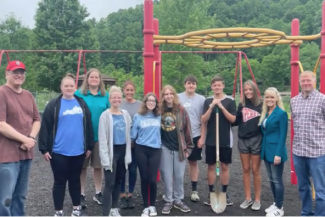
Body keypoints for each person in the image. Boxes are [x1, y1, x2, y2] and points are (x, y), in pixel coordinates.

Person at [38, 73, 94, 216]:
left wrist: (89, 146)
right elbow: (45, 127)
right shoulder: (54, 105)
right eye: (66, 86)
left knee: (75, 181)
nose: (69, 88)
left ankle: (76, 209)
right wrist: (44, 148)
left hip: (78, 151)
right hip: (59, 151)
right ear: (61, 87)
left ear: (75, 87)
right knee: (59, 182)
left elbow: (89, 125)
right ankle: (59, 211)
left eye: (71, 86)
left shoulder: (81, 103)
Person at [0, 60, 41, 216]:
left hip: (26, 154)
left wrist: (30, 137)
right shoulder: (2, 93)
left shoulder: (28, 95)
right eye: (15, 72)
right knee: (5, 199)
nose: (19, 75)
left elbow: (37, 120)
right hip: (6, 156)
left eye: (22, 72)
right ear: (7, 74)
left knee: (20, 196)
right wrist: (24, 140)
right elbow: (1, 124)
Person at [291, 70, 325, 216]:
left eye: (308, 80)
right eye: (303, 81)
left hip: (317, 152)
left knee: (320, 188)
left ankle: (320, 214)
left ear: (314, 81)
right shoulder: (294, 101)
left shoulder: (322, 100)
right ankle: (306, 212)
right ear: (299, 83)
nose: (305, 83)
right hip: (299, 151)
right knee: (303, 186)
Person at [74, 68, 110, 208]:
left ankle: (98, 192)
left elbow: (109, 115)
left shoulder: (105, 96)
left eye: (97, 77)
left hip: (100, 137)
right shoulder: (79, 94)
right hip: (82, 137)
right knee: (82, 167)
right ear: (87, 79)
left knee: (97, 166)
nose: (94, 79)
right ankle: (81, 193)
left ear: (100, 80)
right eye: (92, 77)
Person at [199, 75, 236, 208]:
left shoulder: (230, 101)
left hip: (225, 140)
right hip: (211, 140)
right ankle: (211, 193)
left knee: (225, 166)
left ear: (223, 86)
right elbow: (203, 120)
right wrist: (211, 106)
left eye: (219, 85)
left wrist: (221, 106)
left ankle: (224, 193)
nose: (217, 87)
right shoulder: (207, 100)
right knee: (211, 166)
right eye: (214, 85)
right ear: (212, 87)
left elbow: (233, 119)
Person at [159, 85, 194, 215]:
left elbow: (188, 130)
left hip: (179, 147)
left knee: (179, 176)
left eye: (170, 94)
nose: (168, 96)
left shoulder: (181, 110)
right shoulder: (160, 110)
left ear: (174, 95)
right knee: (167, 176)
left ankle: (178, 199)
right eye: (166, 94)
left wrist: (188, 149)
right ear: (163, 96)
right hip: (164, 147)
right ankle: (168, 200)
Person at [98, 86, 132, 216]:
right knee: (110, 183)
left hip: (123, 151)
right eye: (114, 98)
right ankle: (106, 212)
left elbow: (129, 133)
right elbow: (102, 138)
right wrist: (105, 158)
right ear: (110, 99)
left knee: (119, 181)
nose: (117, 100)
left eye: (119, 97)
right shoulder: (105, 116)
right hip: (111, 152)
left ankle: (114, 208)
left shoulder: (125, 115)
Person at [233, 80, 262, 210]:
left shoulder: (261, 105)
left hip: (256, 139)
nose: (248, 92)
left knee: (255, 169)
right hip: (243, 139)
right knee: (245, 168)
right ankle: (248, 198)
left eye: (250, 89)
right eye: (246, 90)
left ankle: (257, 199)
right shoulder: (241, 105)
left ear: (254, 90)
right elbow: (236, 121)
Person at [131, 92, 161, 217]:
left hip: (155, 149)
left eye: (153, 101)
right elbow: (133, 135)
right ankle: (145, 206)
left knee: (152, 179)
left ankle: (152, 205)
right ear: (145, 102)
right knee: (144, 178)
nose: (151, 103)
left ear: (156, 103)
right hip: (141, 149)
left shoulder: (159, 116)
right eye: (149, 100)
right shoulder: (138, 116)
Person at [259, 87, 288, 217]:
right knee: (271, 179)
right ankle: (275, 203)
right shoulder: (266, 113)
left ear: (276, 98)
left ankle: (280, 207)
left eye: (271, 97)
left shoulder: (281, 114)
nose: (269, 99)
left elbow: (283, 136)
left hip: (276, 151)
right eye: (267, 97)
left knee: (277, 180)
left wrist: (278, 154)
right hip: (266, 151)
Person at [178, 75, 205, 202]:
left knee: (193, 162)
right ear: (185, 84)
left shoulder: (201, 99)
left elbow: (203, 120)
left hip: (195, 135)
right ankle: (175, 190)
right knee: (177, 164)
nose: (191, 85)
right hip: (179, 136)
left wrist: (202, 137)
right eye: (189, 83)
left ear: (196, 85)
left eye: (193, 83)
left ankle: (194, 190)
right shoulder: (178, 97)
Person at [119, 81, 141, 209]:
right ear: (123, 91)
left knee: (133, 169)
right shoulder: (119, 103)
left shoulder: (139, 105)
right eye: (127, 90)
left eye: (131, 90)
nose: (129, 92)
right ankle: (122, 194)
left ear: (134, 90)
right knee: (122, 170)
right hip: (121, 143)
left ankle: (131, 193)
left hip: (135, 144)